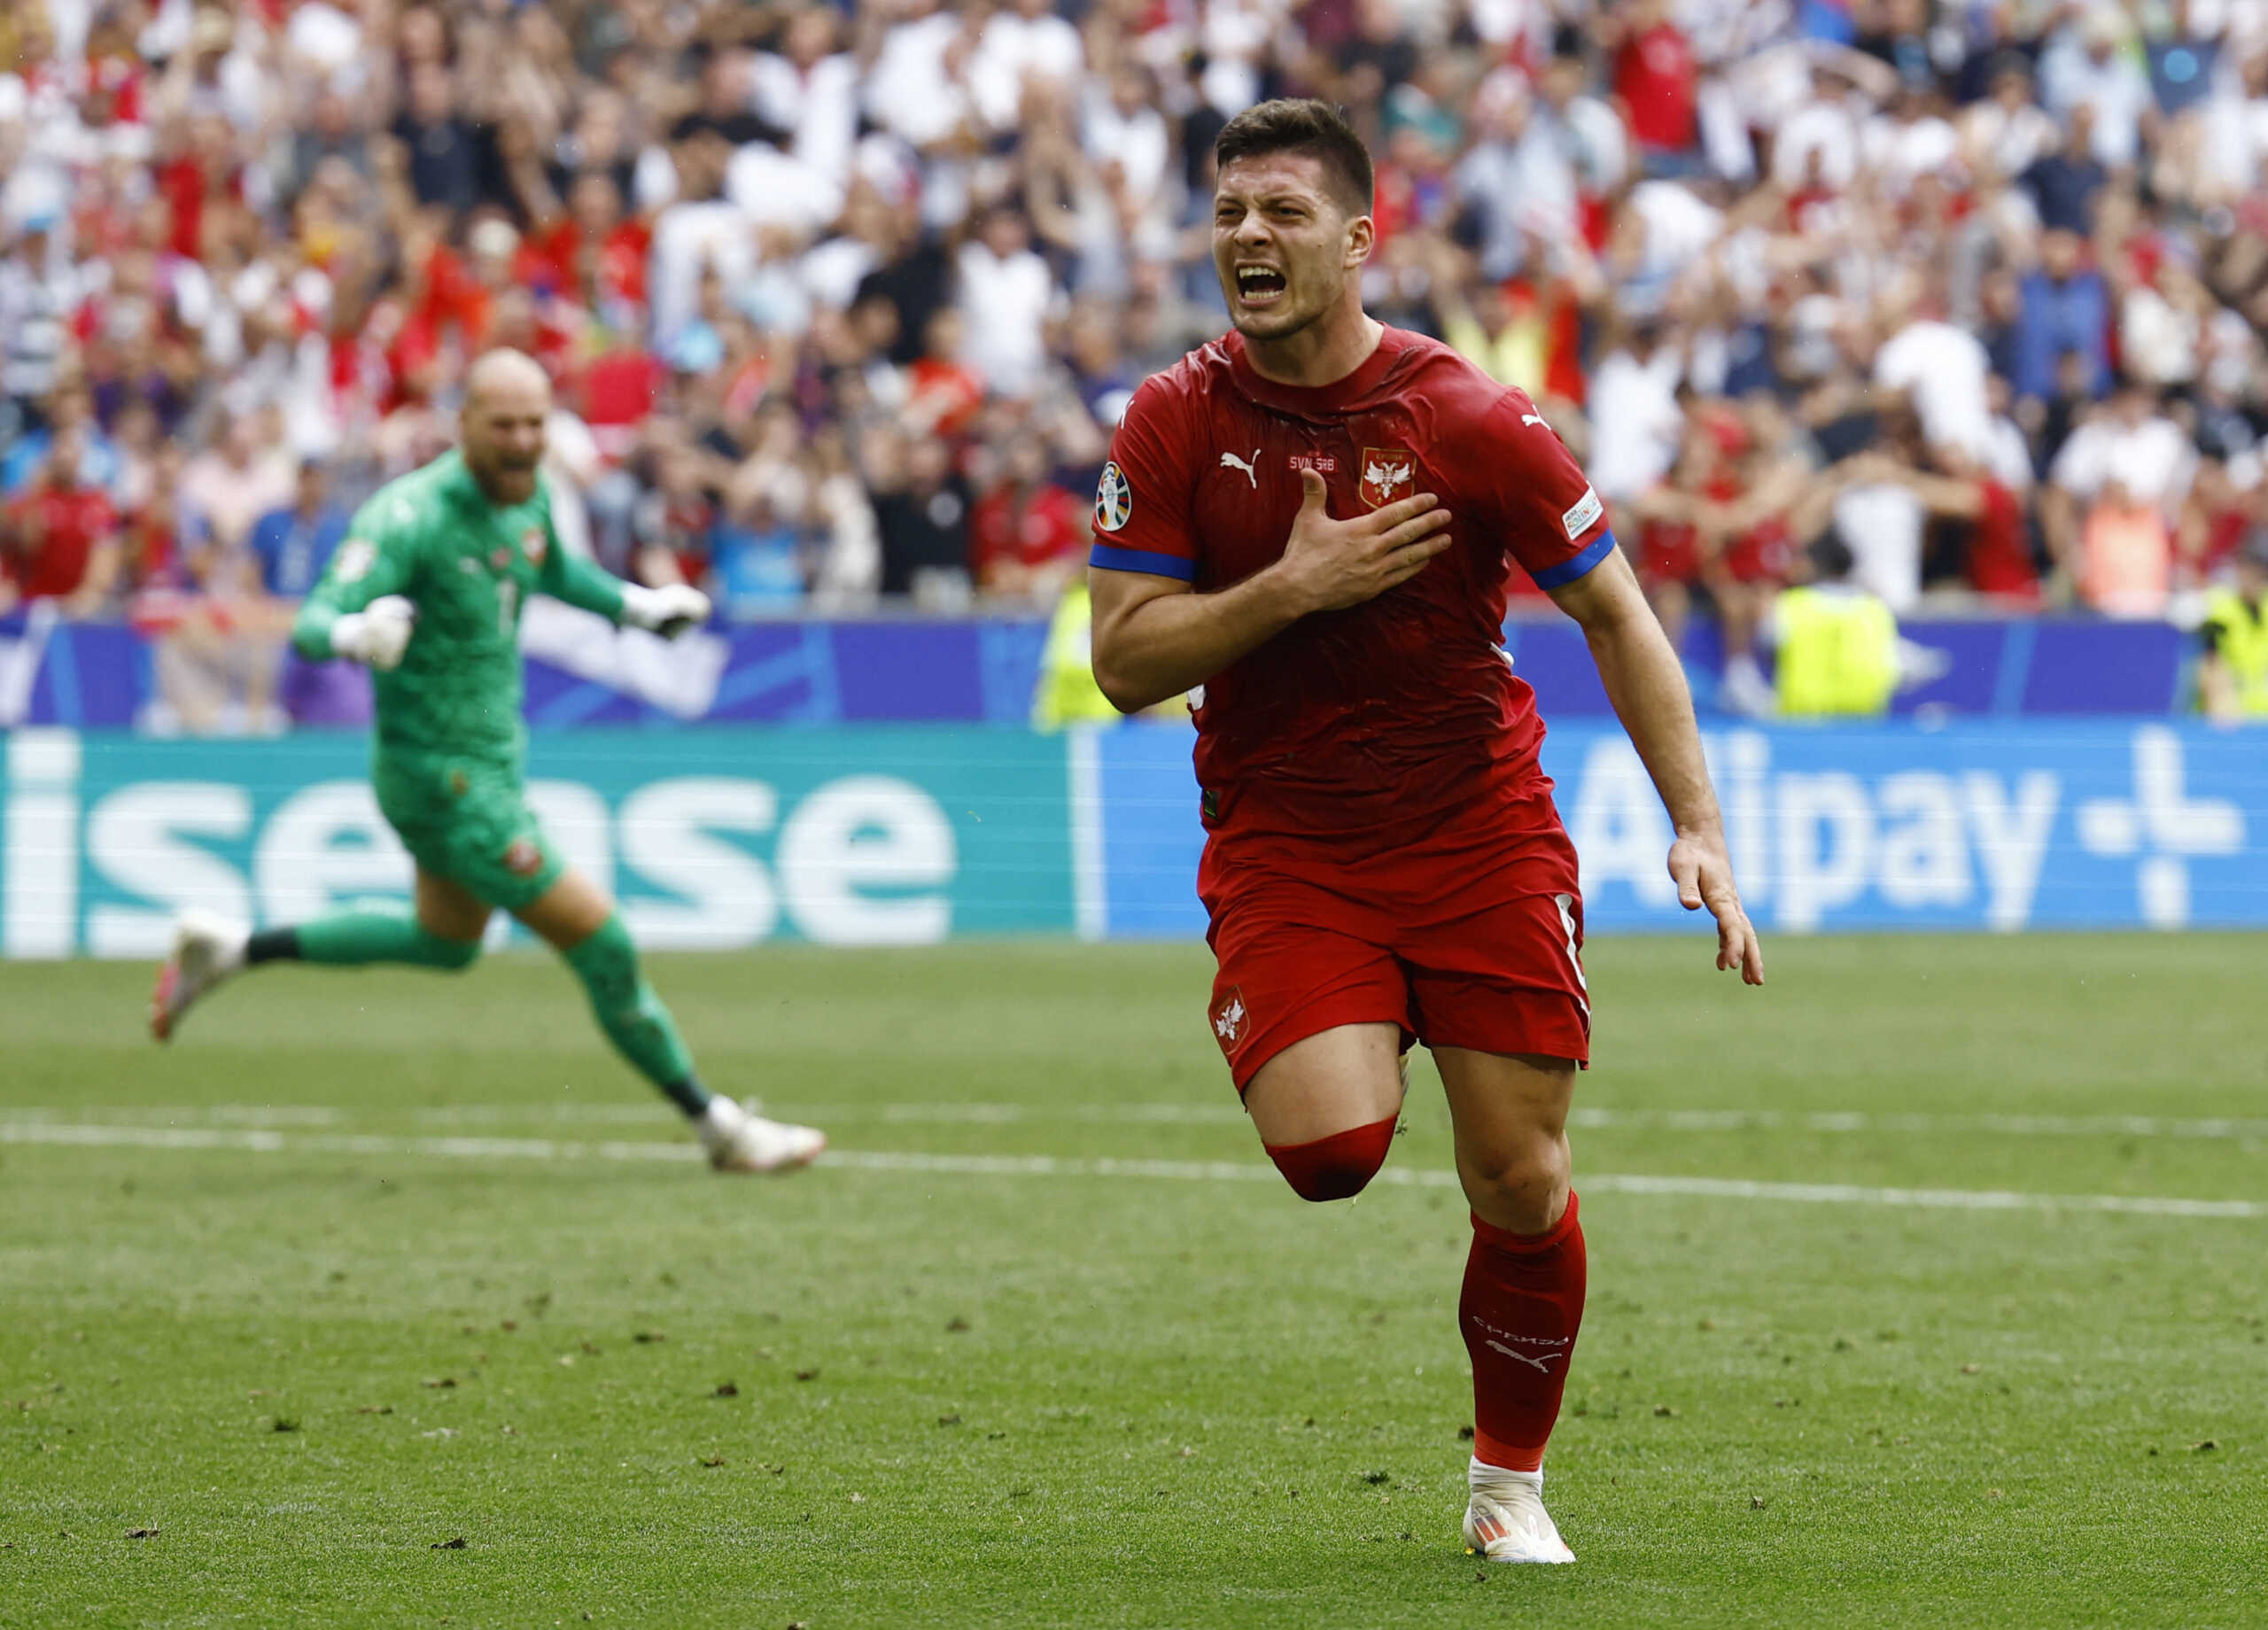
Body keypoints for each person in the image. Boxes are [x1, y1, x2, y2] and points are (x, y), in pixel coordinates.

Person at [1084, 101, 1763, 1567]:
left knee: (1520, 1178)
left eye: (1280, 213)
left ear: (1356, 239)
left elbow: (1616, 612)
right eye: (1229, 215)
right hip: (1291, 842)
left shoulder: (1468, 419)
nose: (1248, 238)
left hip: (1477, 835)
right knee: (1332, 1152)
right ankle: (1356, 1006)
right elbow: (1125, 663)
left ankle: (1507, 1486)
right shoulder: (1174, 421)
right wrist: (1290, 590)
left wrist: (1696, 825)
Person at [149, 350, 826, 1176]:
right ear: (462, 423)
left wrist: (638, 609)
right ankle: (718, 1127)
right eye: (503, 424)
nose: (522, 440)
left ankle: (234, 951)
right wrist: (358, 635)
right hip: (441, 780)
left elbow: (551, 567)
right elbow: (314, 619)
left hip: (490, 769)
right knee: (602, 940)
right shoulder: (410, 516)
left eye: (536, 423)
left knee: (447, 943)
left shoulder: (526, 490)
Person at [2199, 533, 2268, 724]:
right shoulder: (2221, 610)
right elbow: (2211, 665)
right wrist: (2223, 710)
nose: (2255, 578)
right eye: (2249, 568)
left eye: (2261, 571)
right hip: (2231, 714)